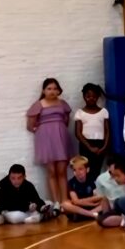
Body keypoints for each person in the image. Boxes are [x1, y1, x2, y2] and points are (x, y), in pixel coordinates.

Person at [26, 77, 74, 205]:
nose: (52, 91)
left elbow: (66, 121)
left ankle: (64, 201)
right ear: (43, 90)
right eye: (49, 88)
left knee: (62, 171)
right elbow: (30, 125)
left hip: (61, 138)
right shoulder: (39, 104)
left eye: (55, 88)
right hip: (46, 140)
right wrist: (43, 131)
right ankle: (56, 202)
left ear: (58, 90)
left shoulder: (63, 104)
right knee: (51, 171)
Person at [74, 83, 110, 181]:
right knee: (86, 170)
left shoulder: (103, 112)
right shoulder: (80, 113)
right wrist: (90, 147)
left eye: (94, 96)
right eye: (88, 96)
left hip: (100, 145)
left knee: (97, 170)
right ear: (84, 96)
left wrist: (104, 147)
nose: (91, 98)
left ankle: (96, 188)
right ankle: (88, 189)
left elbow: (107, 131)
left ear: (98, 97)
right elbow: (78, 133)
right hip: (85, 145)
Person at [64, 156, 109, 221]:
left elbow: (97, 197)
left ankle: (86, 214)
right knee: (65, 204)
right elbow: (76, 201)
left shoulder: (92, 180)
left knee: (105, 200)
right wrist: (89, 202)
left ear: (87, 169)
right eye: (74, 170)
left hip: (91, 207)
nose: (77, 172)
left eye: (80, 169)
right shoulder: (71, 183)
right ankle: (90, 214)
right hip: (79, 208)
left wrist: (91, 202)